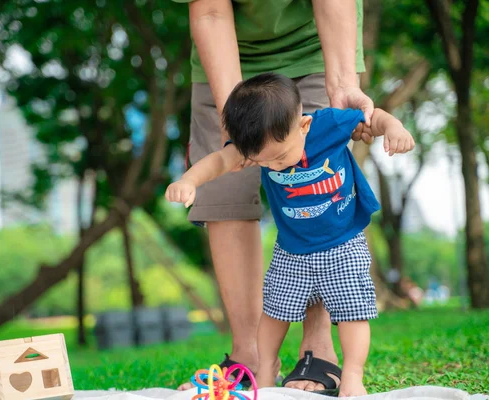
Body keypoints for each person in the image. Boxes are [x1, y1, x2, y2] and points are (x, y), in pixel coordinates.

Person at [166, 73, 415, 396]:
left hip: (343, 243)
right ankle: (266, 370)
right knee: (274, 313)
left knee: (353, 313)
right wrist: (189, 181)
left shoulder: (327, 125)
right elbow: (219, 160)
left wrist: (394, 128)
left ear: (303, 126)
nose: (275, 166)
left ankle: (352, 376)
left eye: (281, 157)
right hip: (291, 251)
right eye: (263, 162)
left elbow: (373, 117)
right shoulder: (258, 146)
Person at [172, 0, 375, 392]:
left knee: (316, 194)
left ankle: (317, 350)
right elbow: (210, 11)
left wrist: (344, 84)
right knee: (226, 193)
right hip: (227, 55)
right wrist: (228, 130)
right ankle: (249, 356)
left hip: (316, 46)